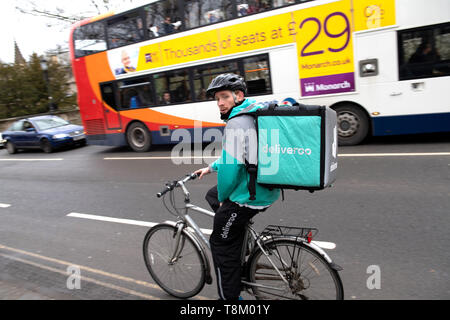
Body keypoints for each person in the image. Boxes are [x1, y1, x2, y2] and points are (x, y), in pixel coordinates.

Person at [194, 74, 280, 300]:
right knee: (211, 195)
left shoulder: (236, 123)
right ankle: (236, 233)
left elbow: (231, 172)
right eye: (217, 99)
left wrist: (225, 198)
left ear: (238, 95)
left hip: (250, 197)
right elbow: (236, 157)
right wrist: (210, 168)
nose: (220, 103)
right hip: (266, 188)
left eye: (224, 97)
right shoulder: (252, 115)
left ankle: (231, 300)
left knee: (220, 244)